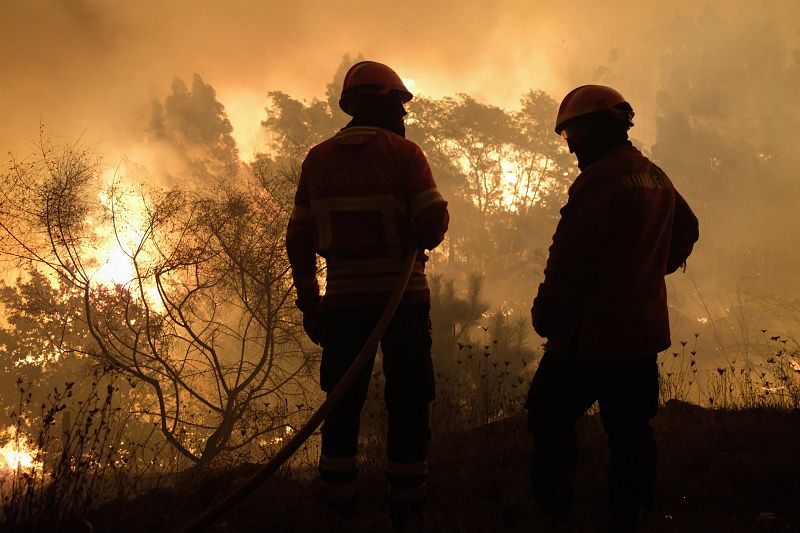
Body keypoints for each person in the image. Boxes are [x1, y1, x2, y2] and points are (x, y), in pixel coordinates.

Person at [524, 85, 699, 531]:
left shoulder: (600, 180)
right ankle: (631, 513)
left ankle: (551, 506)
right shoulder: (654, 174)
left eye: (572, 136)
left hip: (588, 337)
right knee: (632, 430)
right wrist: (651, 269)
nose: (571, 148)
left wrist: (547, 311)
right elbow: (688, 227)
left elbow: (570, 256)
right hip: (639, 334)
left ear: (594, 130)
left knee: (548, 414)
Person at [285, 60, 449, 531]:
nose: (404, 116)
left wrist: (309, 304)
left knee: (341, 400)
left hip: (342, 304)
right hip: (404, 301)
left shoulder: (318, 159)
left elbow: (298, 238)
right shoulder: (405, 154)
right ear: (383, 104)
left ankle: (338, 501)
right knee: (410, 398)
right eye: (399, 105)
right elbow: (433, 224)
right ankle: (407, 502)